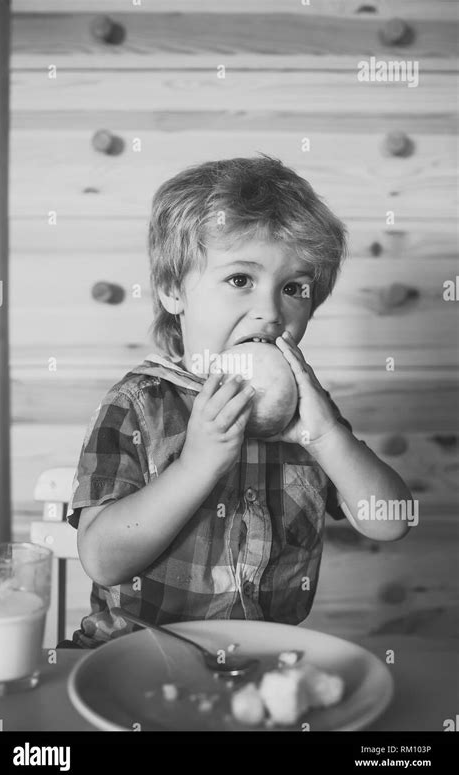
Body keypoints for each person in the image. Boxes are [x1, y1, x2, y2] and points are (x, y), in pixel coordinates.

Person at [62, 154, 412, 650]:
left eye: (293, 288)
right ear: (171, 290)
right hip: (132, 655)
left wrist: (329, 437)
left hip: (258, 659)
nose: (270, 313)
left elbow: (392, 521)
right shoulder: (140, 404)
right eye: (240, 279)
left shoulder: (306, 412)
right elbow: (103, 559)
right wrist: (197, 466)